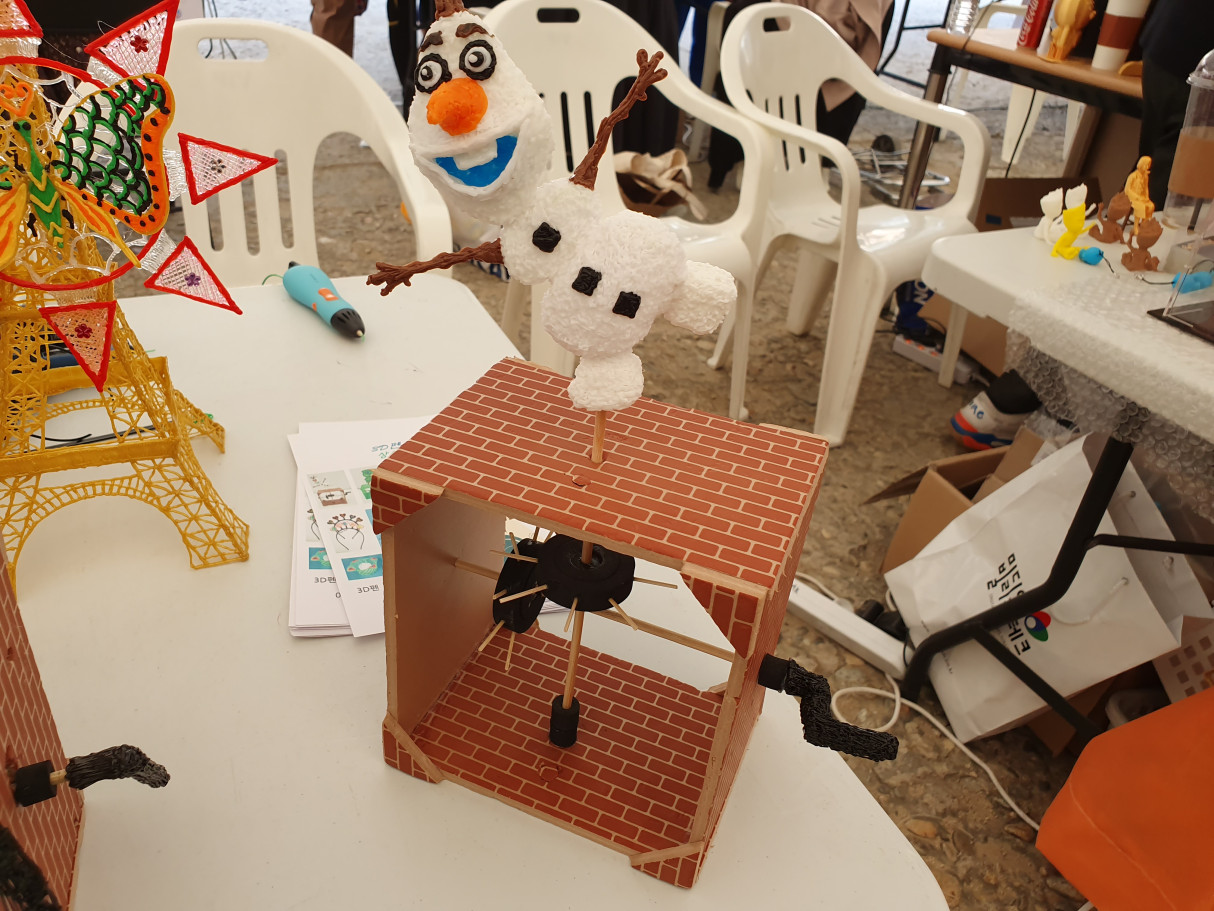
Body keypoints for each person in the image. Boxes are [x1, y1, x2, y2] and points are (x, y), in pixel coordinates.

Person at [951, 0, 1214, 450]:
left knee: (1147, 220)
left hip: (1177, 37)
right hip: (1195, 53)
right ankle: (1012, 402)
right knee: (1157, 254)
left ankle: (1025, 403)